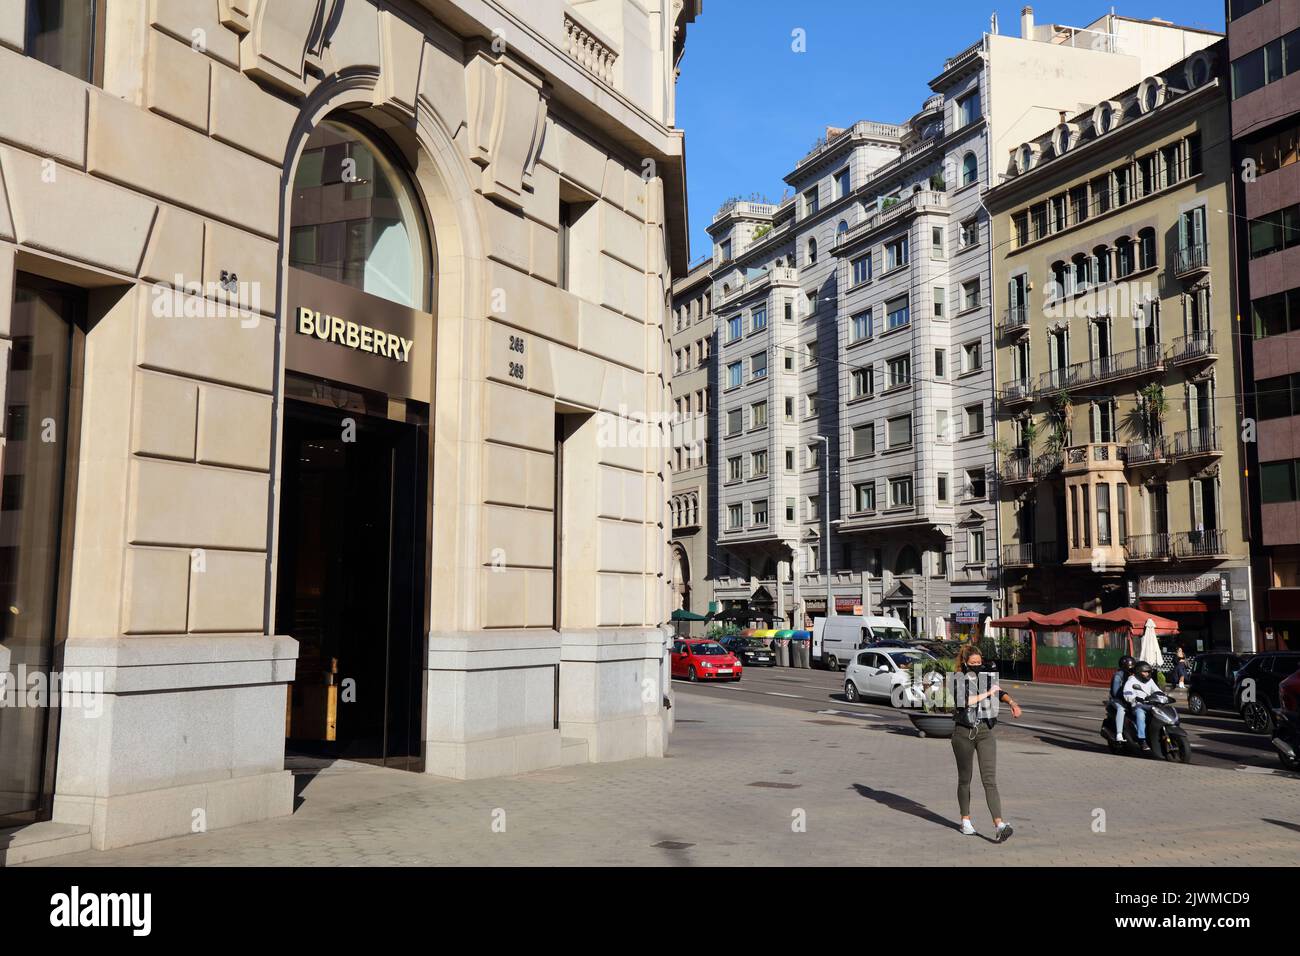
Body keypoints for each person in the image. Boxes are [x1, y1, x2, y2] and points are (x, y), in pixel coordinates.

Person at [950, 646, 1022, 842]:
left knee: (989, 779)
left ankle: (999, 824)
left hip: (985, 732)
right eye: (972, 663)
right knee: (965, 779)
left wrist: (1012, 703)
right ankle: (965, 820)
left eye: (979, 663)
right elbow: (964, 701)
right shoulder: (956, 679)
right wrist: (987, 693)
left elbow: (1000, 692)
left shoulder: (986, 678)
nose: (976, 666)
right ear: (965, 663)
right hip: (963, 732)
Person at [1122, 660, 1161, 752]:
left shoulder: (1150, 681)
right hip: (1138, 705)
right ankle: (1142, 740)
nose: (1148, 673)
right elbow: (1127, 693)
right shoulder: (1132, 680)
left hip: (1150, 704)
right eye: (1145, 672)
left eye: (1149, 672)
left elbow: (1157, 690)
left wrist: (1162, 696)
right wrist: (1134, 698)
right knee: (1141, 715)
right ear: (1139, 672)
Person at [1110, 655, 1136, 739]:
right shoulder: (1118, 676)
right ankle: (1119, 734)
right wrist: (1127, 697)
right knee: (1121, 709)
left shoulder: (1135, 675)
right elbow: (1115, 692)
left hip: (1131, 699)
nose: (1131, 670)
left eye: (1132, 668)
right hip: (1118, 699)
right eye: (1129, 668)